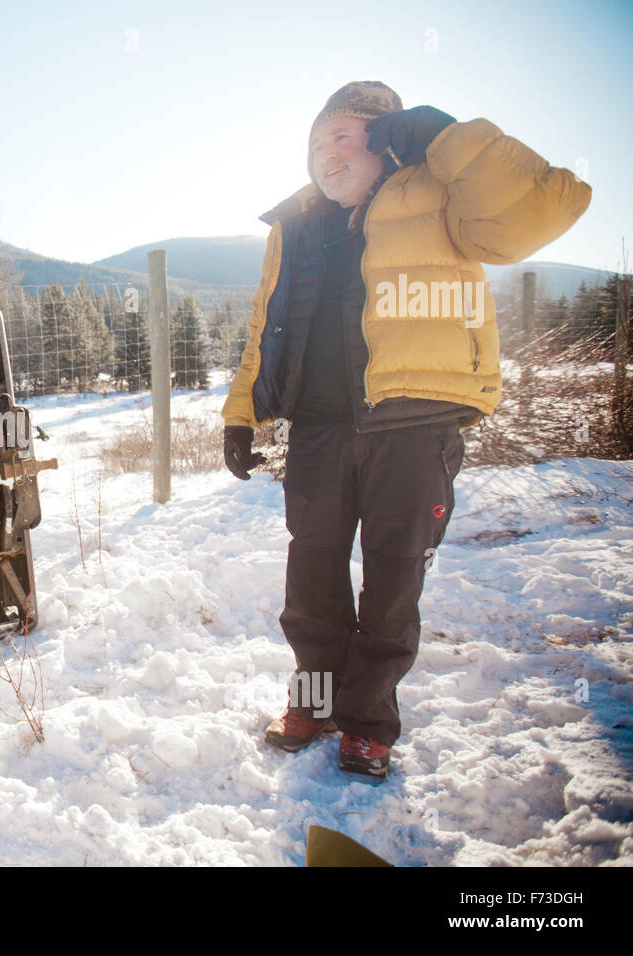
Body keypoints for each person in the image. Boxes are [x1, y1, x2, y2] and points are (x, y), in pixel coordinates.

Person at [221, 81, 591, 779]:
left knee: (392, 584)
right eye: (316, 140)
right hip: (321, 429)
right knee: (313, 580)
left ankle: (369, 723)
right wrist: (241, 412)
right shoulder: (295, 225)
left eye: (345, 134)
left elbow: (545, 206)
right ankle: (316, 701)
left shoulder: (442, 193)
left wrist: (449, 141)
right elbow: (261, 327)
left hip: (414, 423)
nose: (327, 152)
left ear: (389, 138)